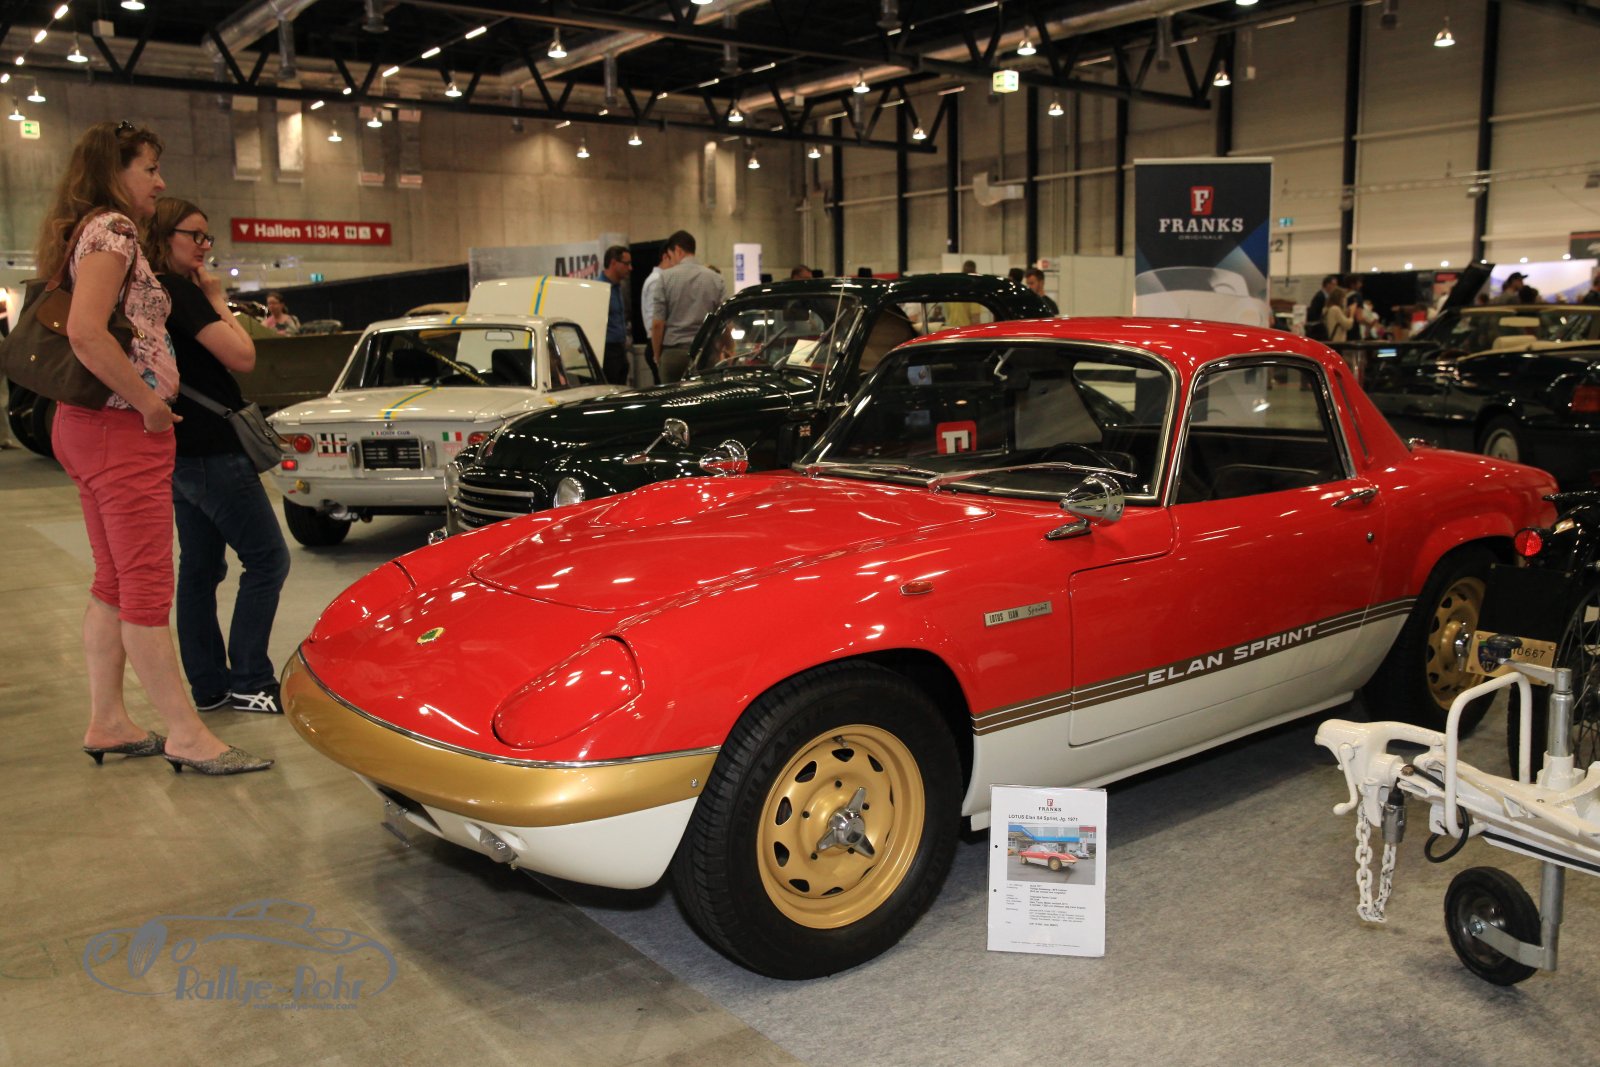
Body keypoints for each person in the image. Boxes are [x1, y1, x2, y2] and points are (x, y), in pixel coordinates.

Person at [40, 121, 270, 775]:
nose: (159, 181)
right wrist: (147, 403)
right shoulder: (113, 230)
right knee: (143, 587)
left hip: (85, 425)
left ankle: (109, 720)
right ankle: (187, 733)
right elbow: (87, 332)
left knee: (113, 581)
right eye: (148, 168)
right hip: (119, 428)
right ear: (114, 171)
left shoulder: (82, 231)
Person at [144, 197, 291, 718]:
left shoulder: (147, 294)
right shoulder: (180, 292)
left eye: (207, 237)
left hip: (179, 449)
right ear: (165, 236)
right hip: (212, 450)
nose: (204, 245)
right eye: (195, 235)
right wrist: (216, 297)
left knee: (201, 567)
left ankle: (209, 686)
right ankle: (250, 679)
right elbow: (243, 356)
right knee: (268, 559)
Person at [651, 230, 725, 383]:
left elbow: (658, 324)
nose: (671, 262)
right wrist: (727, 348)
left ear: (678, 250)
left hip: (673, 355)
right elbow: (724, 320)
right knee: (704, 396)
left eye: (670, 256)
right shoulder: (716, 279)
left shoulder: (664, 278)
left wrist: (658, 356)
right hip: (705, 355)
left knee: (672, 397)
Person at [600, 245, 633, 385]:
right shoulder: (599, 289)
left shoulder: (619, 287)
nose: (630, 268)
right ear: (613, 263)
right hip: (607, 351)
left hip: (620, 349)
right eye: (626, 264)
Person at [1304, 275, 1336, 341]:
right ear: (1327, 285)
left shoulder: (1326, 296)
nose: (1335, 287)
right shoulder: (1320, 296)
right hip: (1317, 328)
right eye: (1333, 284)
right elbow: (1314, 313)